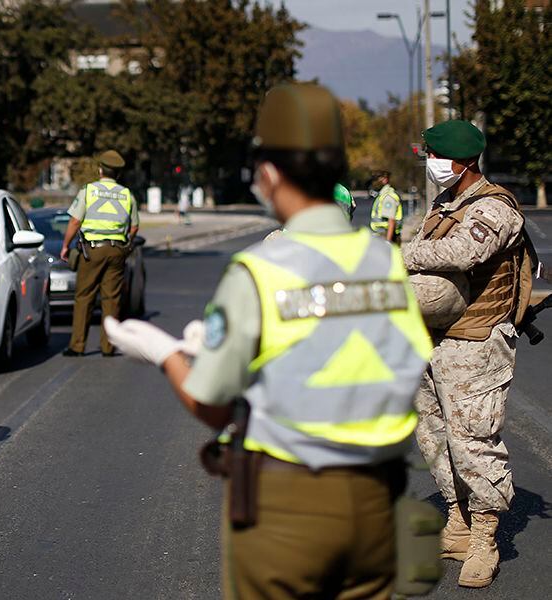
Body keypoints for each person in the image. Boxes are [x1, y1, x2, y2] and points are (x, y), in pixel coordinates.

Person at [104, 84, 432, 599]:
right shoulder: (385, 261)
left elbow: (211, 405)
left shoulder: (260, 270)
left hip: (287, 506)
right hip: (376, 501)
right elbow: (404, 365)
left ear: (271, 174)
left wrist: (165, 355)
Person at [404, 119, 530, 588]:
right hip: (433, 338)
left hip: (475, 343)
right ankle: (457, 522)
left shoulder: (496, 209)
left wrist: (402, 259)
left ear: (463, 161)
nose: (432, 166)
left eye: (437, 158)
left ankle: (485, 540)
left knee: (473, 440)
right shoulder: (444, 204)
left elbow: (461, 253)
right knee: (434, 436)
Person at [59, 150, 139, 357]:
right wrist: (126, 244)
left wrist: (66, 245)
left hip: (91, 251)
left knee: (85, 296)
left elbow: (75, 221)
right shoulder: (127, 195)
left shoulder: (88, 191)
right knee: (111, 299)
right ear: (118, 174)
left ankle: (78, 345)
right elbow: (134, 227)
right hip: (117, 250)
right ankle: (108, 346)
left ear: (100, 169)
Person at [369, 170, 402, 242]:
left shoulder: (388, 196)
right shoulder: (382, 195)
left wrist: (388, 242)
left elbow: (391, 220)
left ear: (385, 180)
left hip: (386, 236)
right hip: (382, 235)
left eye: (376, 179)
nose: (373, 183)